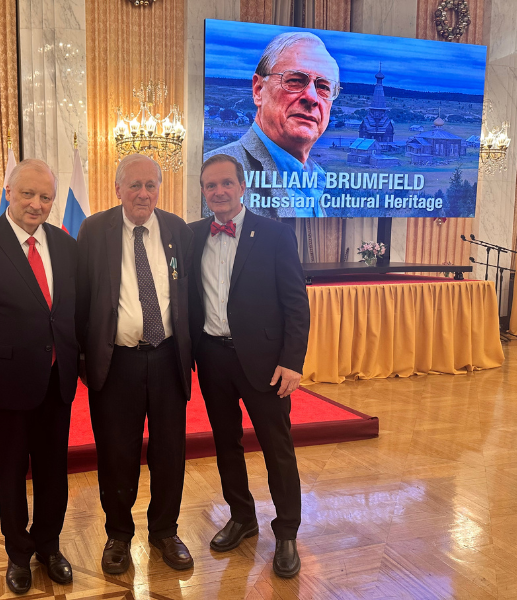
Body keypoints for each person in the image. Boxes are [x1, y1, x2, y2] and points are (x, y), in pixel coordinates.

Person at [0, 159, 78, 595]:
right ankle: (18, 554)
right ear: (8, 192)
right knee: (11, 472)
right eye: (28, 194)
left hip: (57, 383)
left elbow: (68, 314)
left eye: (45, 197)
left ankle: (49, 545)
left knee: (53, 471)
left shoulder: (64, 244)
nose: (36, 204)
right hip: (3, 386)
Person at [189, 154, 310, 578]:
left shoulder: (275, 235)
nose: (218, 192)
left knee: (277, 447)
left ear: (242, 187)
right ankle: (242, 517)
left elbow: (296, 303)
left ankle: (288, 531)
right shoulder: (191, 236)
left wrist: (292, 362)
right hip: (212, 358)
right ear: (203, 193)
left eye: (226, 183)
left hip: (264, 364)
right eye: (210, 186)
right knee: (226, 443)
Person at [76, 153, 194, 574]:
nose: (143, 193)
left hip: (168, 361)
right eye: (134, 186)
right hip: (116, 364)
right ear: (118, 189)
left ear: (159, 189)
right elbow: (80, 301)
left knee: (170, 453)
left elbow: (188, 297)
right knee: (116, 453)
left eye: (151, 185)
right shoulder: (93, 230)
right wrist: (85, 362)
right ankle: (118, 534)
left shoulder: (178, 230)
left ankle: (165, 530)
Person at [205, 31, 340, 218]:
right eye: (294, 81)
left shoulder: (314, 177)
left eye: (324, 87)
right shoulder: (213, 172)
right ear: (258, 90)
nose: (311, 97)